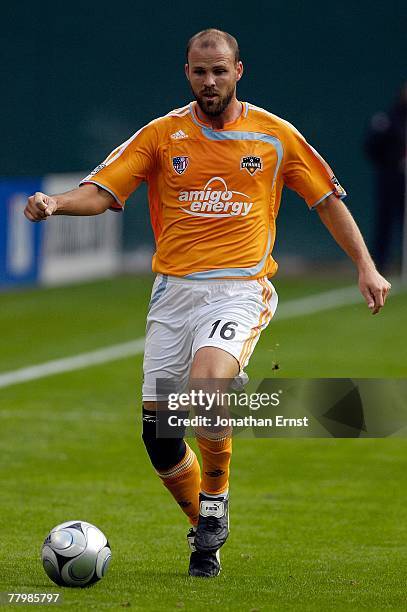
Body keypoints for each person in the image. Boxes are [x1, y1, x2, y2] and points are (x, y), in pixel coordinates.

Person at [24, 29, 391, 578]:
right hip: (173, 294)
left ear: (239, 70)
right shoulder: (162, 136)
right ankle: (205, 534)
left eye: (219, 71)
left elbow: (326, 199)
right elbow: (103, 191)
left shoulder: (274, 137)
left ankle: (215, 499)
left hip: (239, 288)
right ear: (187, 72)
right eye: (200, 71)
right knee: (160, 436)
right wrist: (56, 203)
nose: (210, 81)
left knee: (205, 386)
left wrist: (365, 265)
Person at [364, 82, 407, 272]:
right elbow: (371, 146)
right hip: (390, 178)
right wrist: (390, 163)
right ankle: (380, 263)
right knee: (385, 222)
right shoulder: (387, 119)